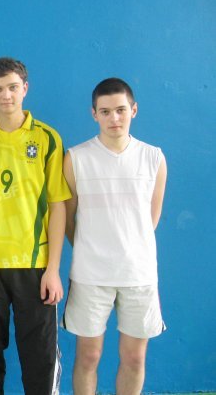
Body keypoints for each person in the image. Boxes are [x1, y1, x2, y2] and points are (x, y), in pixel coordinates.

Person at [0, 57, 71, 394]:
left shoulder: (47, 138)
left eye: (13, 87)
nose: (6, 95)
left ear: (25, 88)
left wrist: (53, 269)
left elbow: (58, 206)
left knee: (39, 353)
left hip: (34, 264)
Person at [61, 78, 167, 394]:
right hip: (90, 275)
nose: (114, 118)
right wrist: (90, 247)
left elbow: (151, 219)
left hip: (139, 274)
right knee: (89, 356)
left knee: (134, 358)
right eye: (105, 111)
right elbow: (67, 218)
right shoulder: (76, 157)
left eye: (121, 110)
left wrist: (130, 246)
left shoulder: (153, 157)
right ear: (94, 114)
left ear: (133, 110)